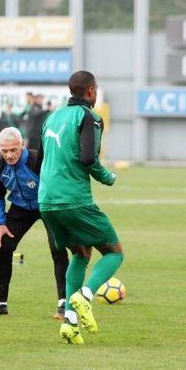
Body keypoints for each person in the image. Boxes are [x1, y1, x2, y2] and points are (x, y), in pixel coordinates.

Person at [38, 70, 124, 345]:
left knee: (81, 253)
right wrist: (107, 177)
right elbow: (88, 158)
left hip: (47, 202)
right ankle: (85, 296)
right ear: (89, 91)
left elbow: (40, 158)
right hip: (73, 199)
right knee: (114, 252)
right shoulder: (89, 117)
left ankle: (70, 323)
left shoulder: (52, 117)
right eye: (95, 89)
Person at [0, 127, 69, 319]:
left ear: (22, 145)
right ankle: (0, 303)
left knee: (57, 247)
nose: (9, 155)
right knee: (4, 245)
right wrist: (0, 224)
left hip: (47, 205)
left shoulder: (37, 161)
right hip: (20, 208)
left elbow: (59, 183)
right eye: (4, 151)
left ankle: (64, 303)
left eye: (13, 150)